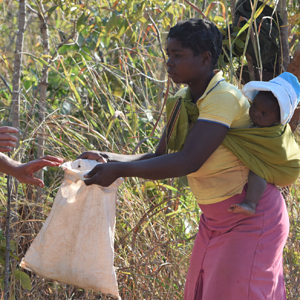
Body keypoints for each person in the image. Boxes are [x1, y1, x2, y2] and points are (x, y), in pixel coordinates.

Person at [78, 19, 289, 299]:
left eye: (178, 56)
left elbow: (189, 161)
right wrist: (108, 158)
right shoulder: (183, 99)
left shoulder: (222, 98)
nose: (169, 63)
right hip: (214, 221)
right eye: (168, 55)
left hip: (250, 216)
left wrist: (120, 170)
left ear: (205, 58)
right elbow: (159, 156)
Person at [229, 72, 300, 215]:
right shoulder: (260, 124)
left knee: (257, 171)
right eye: (254, 106)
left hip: (286, 169)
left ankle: (250, 203)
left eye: (264, 113)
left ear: (277, 119)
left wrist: (226, 135)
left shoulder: (272, 134)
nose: (255, 113)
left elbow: (240, 140)